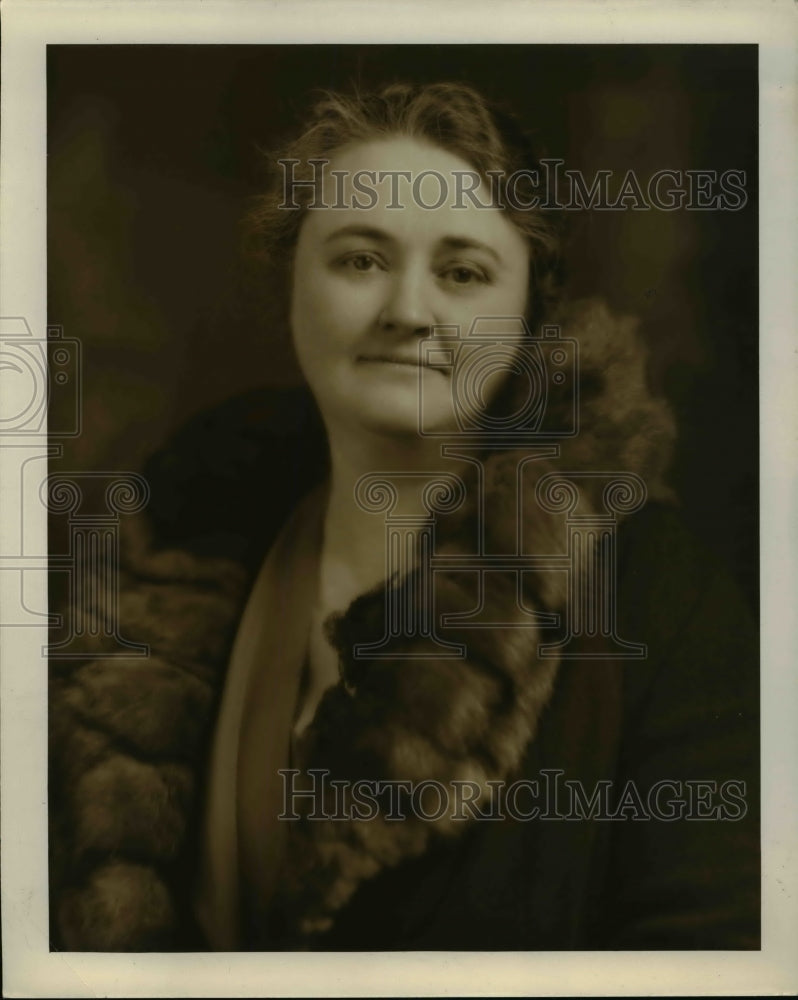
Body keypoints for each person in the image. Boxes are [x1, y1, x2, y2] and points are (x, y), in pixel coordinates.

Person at [49, 82, 759, 952]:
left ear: (530, 311)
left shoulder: (653, 595)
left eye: (462, 273)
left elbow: (713, 949)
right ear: (291, 281)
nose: (408, 312)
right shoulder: (169, 553)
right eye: (360, 260)